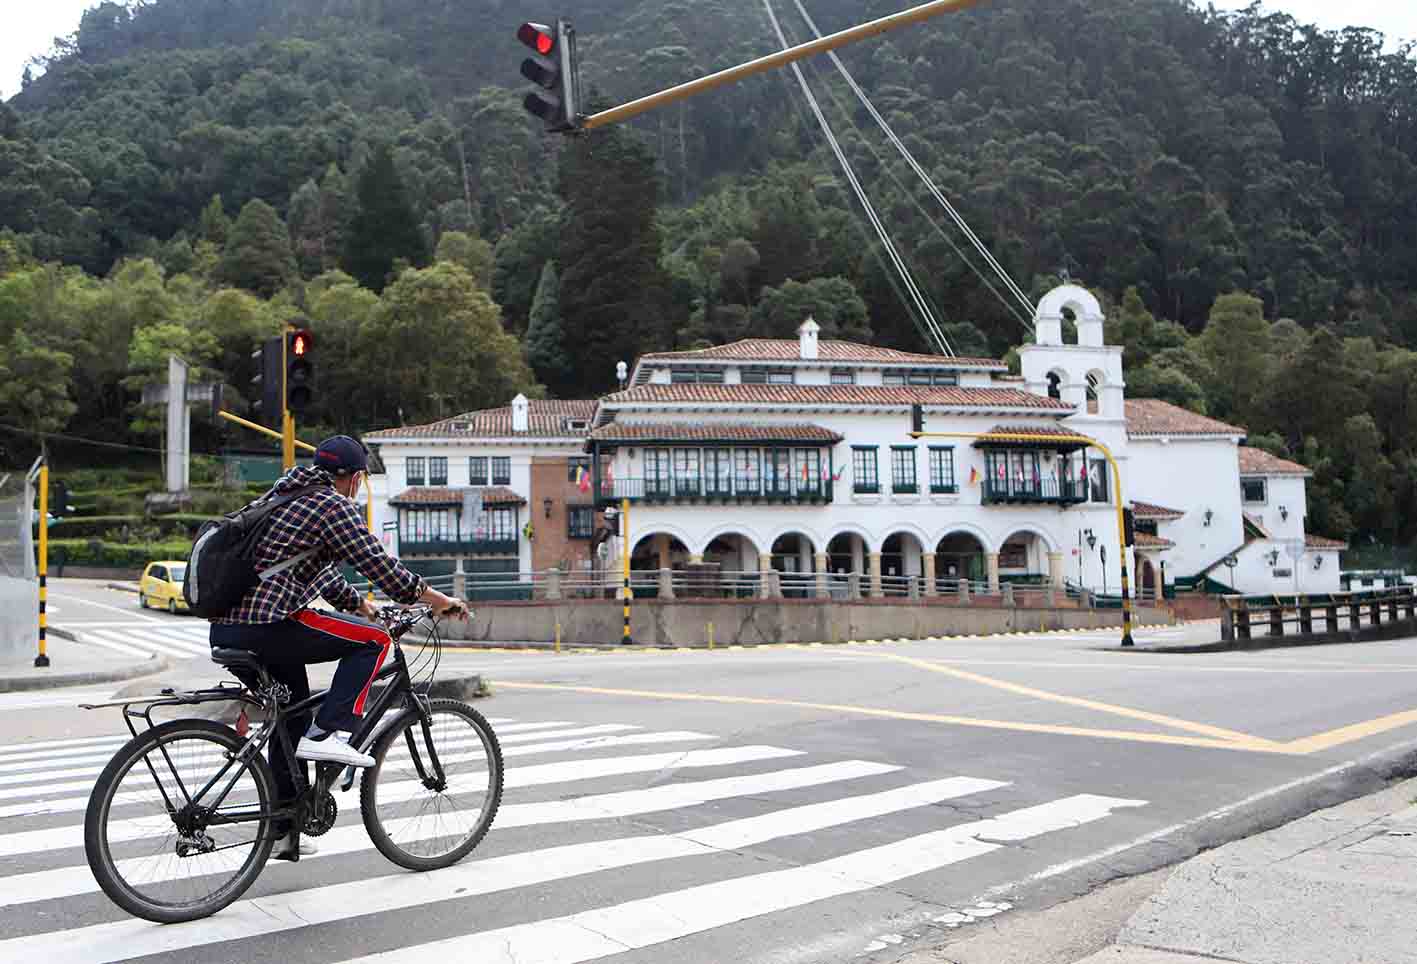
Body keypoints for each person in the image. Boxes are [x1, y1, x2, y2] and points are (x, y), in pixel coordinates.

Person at [209, 435, 467, 859]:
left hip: (230, 630)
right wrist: (442, 601)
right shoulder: (331, 505)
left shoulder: (287, 494)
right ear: (354, 477)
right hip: (267, 624)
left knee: (290, 715)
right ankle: (330, 732)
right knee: (375, 641)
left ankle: (282, 829)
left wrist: (361, 606)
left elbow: (312, 572)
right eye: (360, 481)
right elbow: (384, 569)